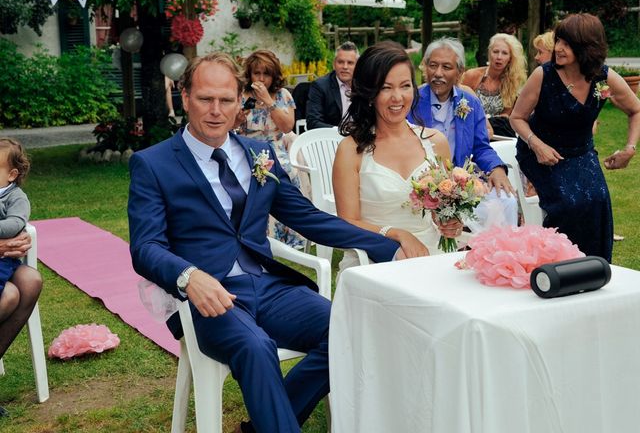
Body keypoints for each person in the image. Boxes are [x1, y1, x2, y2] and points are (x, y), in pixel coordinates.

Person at [128, 52, 414, 433]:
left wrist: (384, 240)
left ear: (239, 100)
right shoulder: (153, 163)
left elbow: (308, 218)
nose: (216, 111)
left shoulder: (259, 154)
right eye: (205, 99)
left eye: (226, 100)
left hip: (269, 286)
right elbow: (145, 247)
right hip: (209, 295)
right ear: (185, 97)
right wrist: (189, 277)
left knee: (349, 328)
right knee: (256, 347)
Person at [510, 13, 640, 262]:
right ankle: (557, 266)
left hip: (581, 152)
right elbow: (517, 118)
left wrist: (629, 148)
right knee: (569, 203)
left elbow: (636, 109)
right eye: (559, 41)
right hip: (541, 153)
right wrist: (537, 145)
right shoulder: (543, 76)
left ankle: (595, 268)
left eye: (567, 44)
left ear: (587, 47)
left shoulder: (603, 77)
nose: (558, 48)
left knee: (598, 201)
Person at [333, 41, 463, 269]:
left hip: (432, 256)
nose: (398, 97)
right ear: (370, 94)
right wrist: (395, 235)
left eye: (405, 86)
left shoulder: (436, 143)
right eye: (385, 88)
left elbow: (442, 211)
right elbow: (346, 223)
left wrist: (451, 222)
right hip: (374, 260)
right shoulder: (350, 150)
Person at [408, 37, 518, 229]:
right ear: (425, 67)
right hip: (420, 183)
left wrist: (497, 169)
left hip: (459, 184)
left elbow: (481, 147)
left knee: (505, 199)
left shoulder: (469, 103)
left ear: (459, 72)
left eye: (447, 67)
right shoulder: (412, 102)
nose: (438, 73)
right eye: (433, 65)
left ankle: (495, 254)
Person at [235, 49, 303, 248]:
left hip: (275, 149)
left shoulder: (282, 95)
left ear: (274, 76)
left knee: (286, 170)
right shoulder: (242, 95)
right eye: (257, 73)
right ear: (250, 74)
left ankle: (287, 237)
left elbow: (287, 126)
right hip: (247, 148)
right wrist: (239, 117)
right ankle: (254, 235)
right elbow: (232, 127)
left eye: (267, 74)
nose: (262, 79)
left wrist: (269, 101)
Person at [0, 139, 40, 417]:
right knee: (9, 294)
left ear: (12, 175)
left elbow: (17, 223)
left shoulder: (14, 196)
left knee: (30, 281)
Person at [461, 33, 527, 137]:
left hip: (496, 134)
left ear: (510, 58)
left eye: (504, 53)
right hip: (468, 130)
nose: (499, 57)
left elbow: (506, 115)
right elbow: (458, 104)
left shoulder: (513, 82)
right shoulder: (472, 75)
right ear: (489, 53)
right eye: (495, 52)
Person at [306, 42, 358, 129]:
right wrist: (340, 130)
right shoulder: (320, 86)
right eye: (340, 62)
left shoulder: (364, 85)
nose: (345, 67)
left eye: (350, 63)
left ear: (357, 65)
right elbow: (313, 122)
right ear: (334, 64)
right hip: (330, 138)